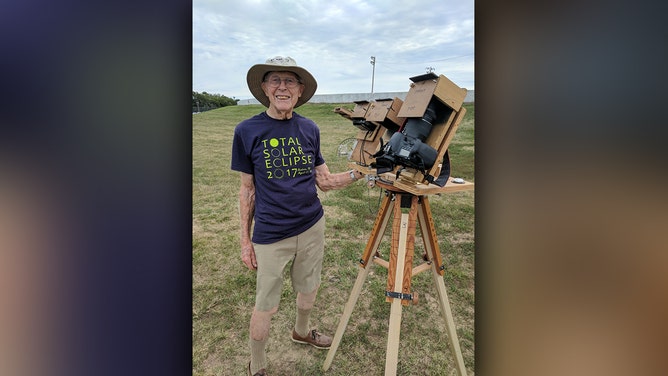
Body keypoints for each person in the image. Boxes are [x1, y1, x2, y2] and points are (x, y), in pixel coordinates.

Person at [231, 56, 365, 376]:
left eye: (289, 81)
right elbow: (247, 192)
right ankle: (258, 365)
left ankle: (302, 331)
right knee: (267, 304)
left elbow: (325, 181)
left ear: (300, 89)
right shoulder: (246, 131)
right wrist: (245, 242)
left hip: (311, 225)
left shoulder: (309, 128)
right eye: (275, 80)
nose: (282, 87)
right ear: (264, 88)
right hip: (271, 234)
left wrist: (362, 174)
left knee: (309, 287)